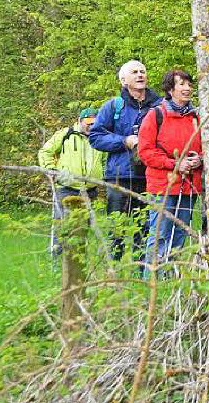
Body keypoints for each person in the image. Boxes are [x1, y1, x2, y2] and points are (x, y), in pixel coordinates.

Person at [89, 60, 163, 263]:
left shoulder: (159, 106)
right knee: (117, 230)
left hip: (150, 176)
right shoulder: (113, 106)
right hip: (119, 177)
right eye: (134, 72)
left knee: (146, 230)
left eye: (143, 72)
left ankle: (143, 276)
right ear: (123, 80)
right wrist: (124, 141)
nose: (140, 75)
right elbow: (95, 136)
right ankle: (116, 276)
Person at [137, 69, 204, 277]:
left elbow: (207, 146)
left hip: (189, 185)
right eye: (181, 84)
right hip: (163, 185)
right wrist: (174, 164)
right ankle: (152, 282)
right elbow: (145, 151)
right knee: (160, 235)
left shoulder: (197, 116)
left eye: (188, 84)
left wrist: (199, 160)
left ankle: (170, 280)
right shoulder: (156, 115)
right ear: (170, 89)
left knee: (180, 235)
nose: (187, 88)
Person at [38, 108, 106, 261]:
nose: (91, 126)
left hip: (90, 191)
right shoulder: (65, 134)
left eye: (94, 123)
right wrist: (51, 170)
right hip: (66, 189)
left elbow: (105, 160)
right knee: (62, 228)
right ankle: (56, 265)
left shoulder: (99, 138)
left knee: (83, 230)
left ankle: (78, 265)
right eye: (88, 123)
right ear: (80, 121)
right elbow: (45, 152)